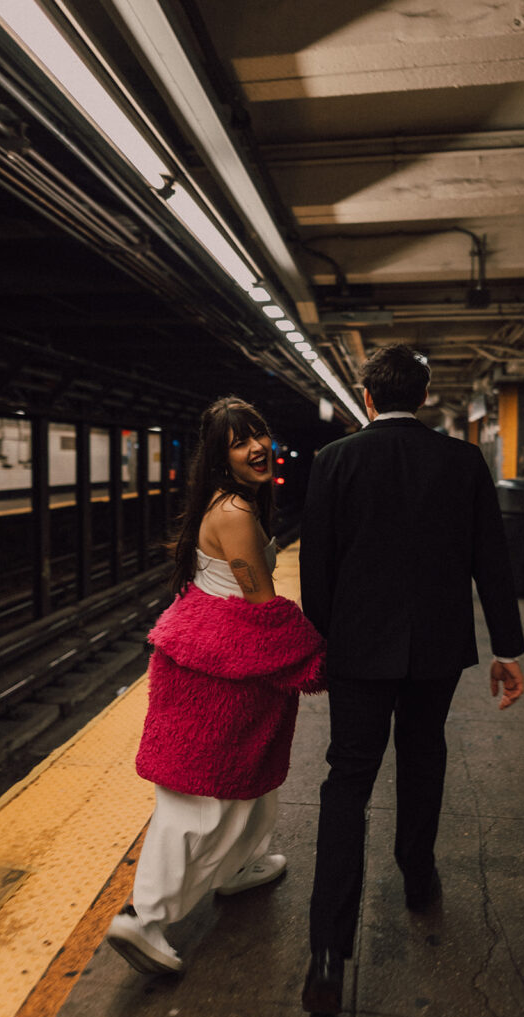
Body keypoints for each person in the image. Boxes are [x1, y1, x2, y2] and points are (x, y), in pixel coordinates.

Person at [299, 345, 524, 1015]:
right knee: (423, 756)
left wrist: (326, 640)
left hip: (357, 652)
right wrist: (505, 649)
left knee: (347, 779)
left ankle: (325, 952)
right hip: (434, 648)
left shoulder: (333, 462)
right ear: (423, 398)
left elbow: (317, 568)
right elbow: (492, 558)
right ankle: (417, 875)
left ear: (366, 398)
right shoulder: (460, 461)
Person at [107, 396, 325, 975]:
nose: (257, 446)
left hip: (209, 661)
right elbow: (262, 606)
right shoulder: (233, 512)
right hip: (221, 674)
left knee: (248, 783)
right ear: (220, 455)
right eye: (239, 440)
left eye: (260, 433)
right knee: (203, 800)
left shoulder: (230, 502)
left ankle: (240, 867)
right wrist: (312, 656)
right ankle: (143, 917)